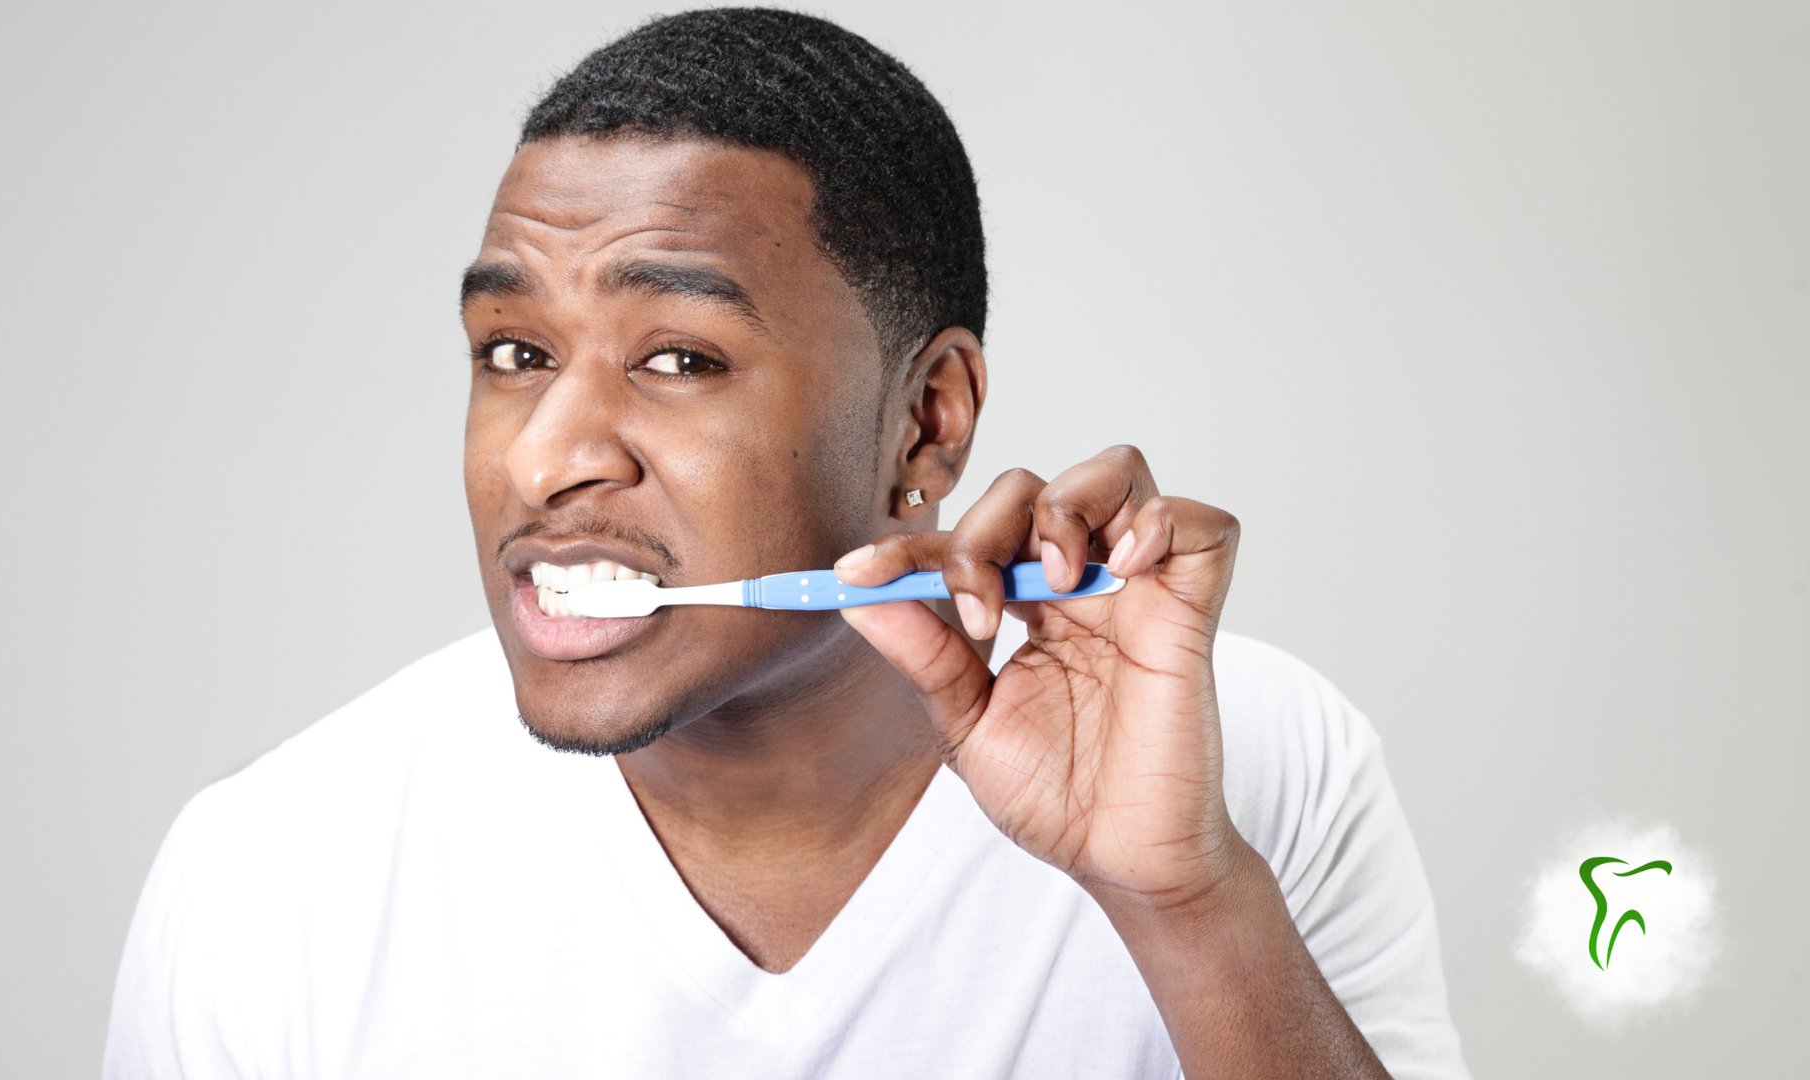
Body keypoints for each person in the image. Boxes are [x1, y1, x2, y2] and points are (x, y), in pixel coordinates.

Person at [104, 8, 1470, 1078]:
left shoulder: (1261, 770)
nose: (543, 455)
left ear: (926, 424)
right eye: (512, 352)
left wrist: (1186, 906)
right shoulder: (271, 876)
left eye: (681, 357)